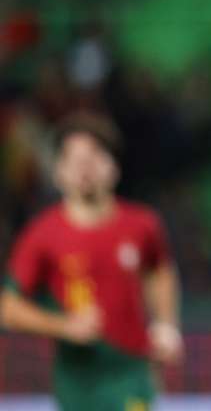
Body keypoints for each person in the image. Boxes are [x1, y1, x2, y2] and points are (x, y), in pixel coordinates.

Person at [0, 112, 183, 411]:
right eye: (74, 160)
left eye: (94, 157)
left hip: (131, 372)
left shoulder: (142, 225)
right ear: (58, 172)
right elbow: (8, 308)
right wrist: (63, 325)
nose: (84, 168)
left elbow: (159, 270)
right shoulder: (42, 235)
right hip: (77, 382)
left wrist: (166, 324)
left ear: (114, 168)